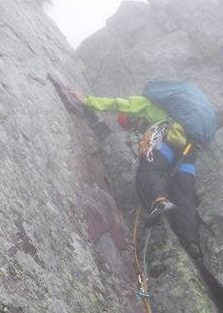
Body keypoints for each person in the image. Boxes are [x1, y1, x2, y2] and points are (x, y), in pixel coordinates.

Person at [77, 92, 203, 260]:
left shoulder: (147, 103)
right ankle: (191, 241)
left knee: (147, 171)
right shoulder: (179, 117)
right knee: (185, 195)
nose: (136, 129)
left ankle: (159, 202)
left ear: (133, 117)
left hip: (170, 139)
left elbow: (118, 103)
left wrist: (87, 101)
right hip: (189, 151)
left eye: (133, 125)